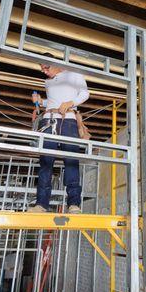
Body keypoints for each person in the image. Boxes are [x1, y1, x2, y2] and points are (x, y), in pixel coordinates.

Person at [28, 55, 89, 214]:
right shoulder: (48, 82)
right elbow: (53, 102)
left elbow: (84, 94)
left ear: (55, 63)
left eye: (46, 67)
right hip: (48, 120)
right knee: (46, 163)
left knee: (71, 161)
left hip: (68, 120)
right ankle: (41, 204)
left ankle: (74, 204)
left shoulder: (74, 74)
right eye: (42, 68)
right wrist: (42, 102)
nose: (44, 71)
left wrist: (70, 103)